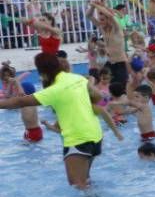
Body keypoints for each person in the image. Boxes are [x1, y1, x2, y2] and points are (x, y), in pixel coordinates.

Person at [0, 53, 106, 188]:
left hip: (78, 138)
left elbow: (21, 101)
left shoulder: (54, 90)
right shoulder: (77, 78)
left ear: (43, 72)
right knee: (86, 180)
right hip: (95, 134)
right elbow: (98, 97)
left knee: (77, 186)